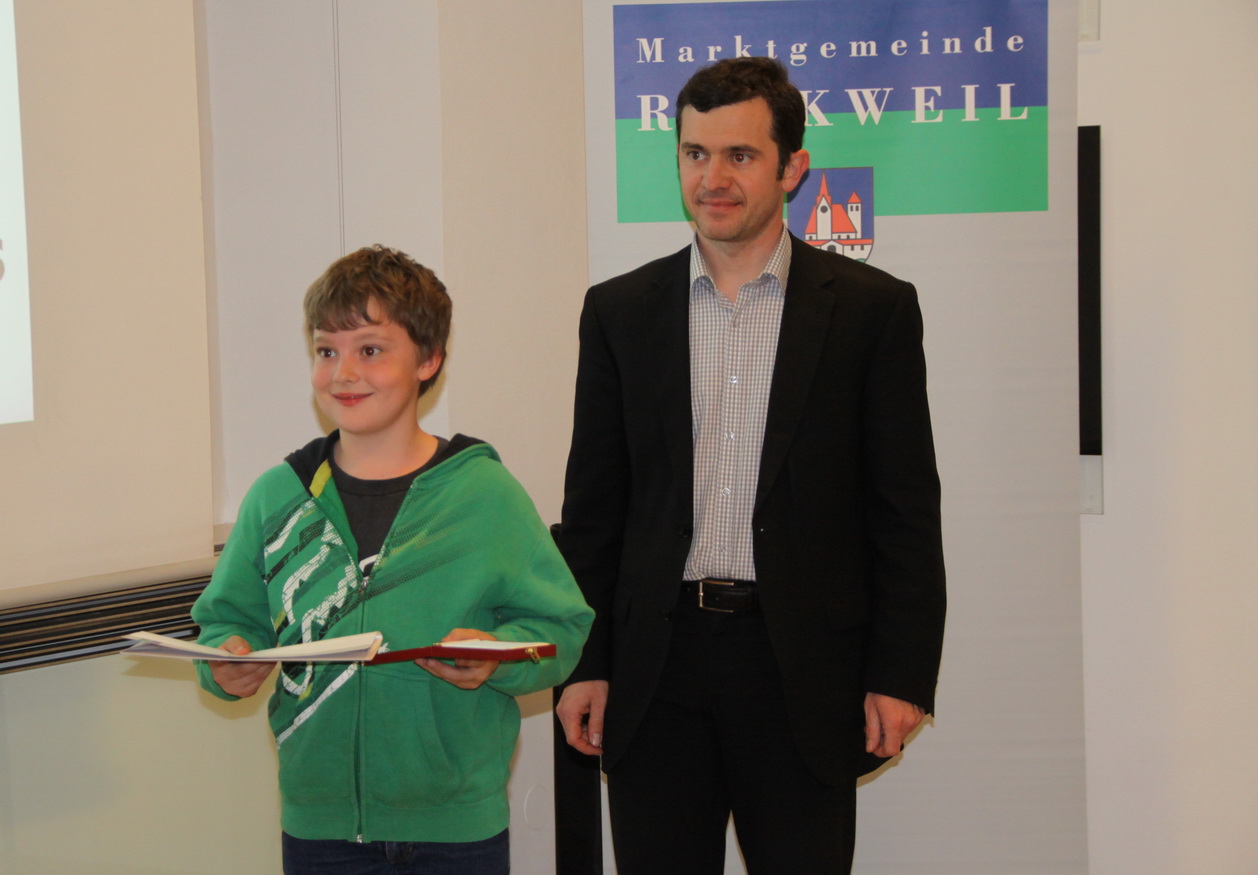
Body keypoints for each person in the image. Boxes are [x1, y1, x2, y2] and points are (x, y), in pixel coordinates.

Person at [555, 57, 946, 873]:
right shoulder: (619, 312)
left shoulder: (872, 311)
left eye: (740, 155)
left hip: (804, 669)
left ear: (792, 167)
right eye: (695, 153)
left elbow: (904, 510)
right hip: (657, 672)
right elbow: (594, 512)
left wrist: (901, 672)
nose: (714, 178)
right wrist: (584, 663)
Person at [193, 245, 593, 875]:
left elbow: (560, 631)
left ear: (428, 360)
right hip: (319, 830)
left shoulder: (485, 495)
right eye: (327, 351)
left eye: (371, 350)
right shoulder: (277, 496)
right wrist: (225, 662)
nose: (343, 373)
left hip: (455, 832)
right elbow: (226, 623)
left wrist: (495, 655)